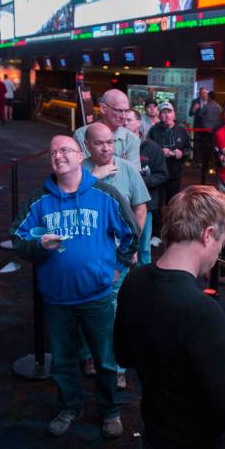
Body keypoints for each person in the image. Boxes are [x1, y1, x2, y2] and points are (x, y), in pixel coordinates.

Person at [10, 135, 138, 439]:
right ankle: (70, 407)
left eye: (65, 149)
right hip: (56, 300)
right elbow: (18, 238)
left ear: (80, 155)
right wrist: (39, 245)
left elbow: (131, 233)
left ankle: (110, 411)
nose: (59, 155)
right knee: (64, 361)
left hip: (98, 297)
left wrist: (117, 270)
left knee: (107, 361)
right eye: (53, 151)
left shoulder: (105, 194)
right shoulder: (38, 200)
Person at [114, 185, 225, 449]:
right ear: (208, 234)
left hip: (156, 432)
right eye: (222, 244)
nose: (218, 257)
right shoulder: (202, 310)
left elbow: (124, 355)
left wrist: (210, 345)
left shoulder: (134, 280)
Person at [82, 121, 150, 388]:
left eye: (109, 142)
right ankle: (89, 356)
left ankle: (117, 365)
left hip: (116, 256)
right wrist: (94, 178)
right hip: (85, 258)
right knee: (86, 307)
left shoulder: (128, 169)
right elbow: (64, 201)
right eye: (99, 143)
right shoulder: (80, 170)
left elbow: (140, 209)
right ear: (87, 145)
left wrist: (131, 246)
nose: (105, 148)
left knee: (114, 310)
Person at [125, 108, 168, 261]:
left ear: (138, 123)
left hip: (145, 204)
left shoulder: (152, 147)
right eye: (123, 119)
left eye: (129, 120)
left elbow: (162, 174)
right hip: (121, 203)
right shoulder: (115, 145)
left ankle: (143, 280)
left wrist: (139, 182)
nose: (125, 122)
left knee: (143, 246)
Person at [74, 88, 140, 169]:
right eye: (119, 110)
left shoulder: (131, 139)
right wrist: (120, 163)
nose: (123, 116)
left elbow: (133, 173)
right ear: (103, 108)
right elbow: (81, 170)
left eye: (126, 111)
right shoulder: (81, 134)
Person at [148, 101, 191, 203]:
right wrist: (159, 151)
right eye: (163, 112)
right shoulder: (154, 129)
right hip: (157, 172)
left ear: (174, 114)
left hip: (175, 172)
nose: (166, 115)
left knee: (173, 201)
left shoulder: (181, 129)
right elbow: (148, 150)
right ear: (159, 115)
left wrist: (181, 153)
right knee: (156, 201)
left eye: (169, 112)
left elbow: (188, 149)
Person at [189, 86, 209, 164]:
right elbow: (190, 113)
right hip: (197, 127)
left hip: (207, 128)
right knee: (197, 145)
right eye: (202, 93)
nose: (204, 95)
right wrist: (194, 109)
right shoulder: (195, 101)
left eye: (205, 93)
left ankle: (204, 162)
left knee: (206, 145)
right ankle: (196, 162)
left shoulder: (210, 101)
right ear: (199, 94)